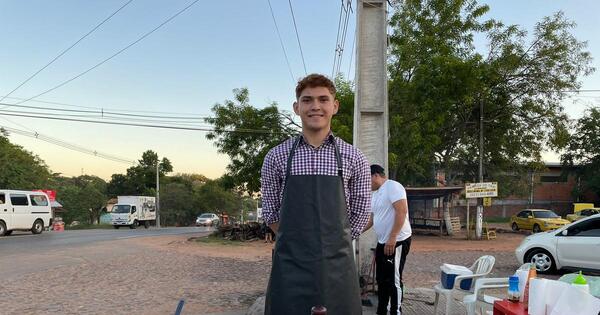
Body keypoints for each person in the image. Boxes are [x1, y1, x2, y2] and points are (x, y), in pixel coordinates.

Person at [261, 73, 371, 315]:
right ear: (296, 107)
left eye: (323, 99)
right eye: (307, 100)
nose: (315, 106)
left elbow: (362, 213)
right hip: (290, 265)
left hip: (338, 266)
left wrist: (335, 240)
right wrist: (296, 240)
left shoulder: (355, 158)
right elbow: (269, 212)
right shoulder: (275, 157)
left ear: (335, 106)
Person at [363, 164, 412, 315]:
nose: (366, 184)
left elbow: (401, 211)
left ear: (375, 175)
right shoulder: (375, 194)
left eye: (367, 180)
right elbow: (372, 219)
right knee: (381, 279)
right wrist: (355, 231)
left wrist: (392, 238)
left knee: (393, 280)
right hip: (383, 241)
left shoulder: (393, 186)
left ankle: (395, 311)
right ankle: (382, 310)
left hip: (396, 241)